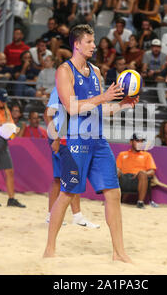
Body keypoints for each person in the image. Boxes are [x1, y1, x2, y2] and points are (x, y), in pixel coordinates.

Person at [43, 24, 138, 263]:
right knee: (66, 194)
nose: (94, 46)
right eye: (89, 42)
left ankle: (119, 252)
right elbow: (72, 107)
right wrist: (103, 97)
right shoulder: (64, 71)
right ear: (76, 44)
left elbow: (101, 108)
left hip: (97, 140)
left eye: (94, 42)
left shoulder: (95, 71)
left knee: (113, 193)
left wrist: (122, 105)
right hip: (75, 141)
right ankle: (49, 249)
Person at [44, 87, 100, 227]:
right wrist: (56, 137)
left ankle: (57, 216)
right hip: (62, 136)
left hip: (72, 136)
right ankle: (73, 216)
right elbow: (47, 114)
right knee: (71, 176)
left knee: (61, 177)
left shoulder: (81, 89)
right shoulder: (60, 88)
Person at [116, 133, 157, 209]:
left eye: (141, 142)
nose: (140, 143)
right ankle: (112, 199)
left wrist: (143, 173)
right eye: (137, 141)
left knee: (142, 173)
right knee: (116, 171)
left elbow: (152, 172)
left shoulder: (147, 155)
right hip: (124, 179)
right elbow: (118, 169)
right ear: (131, 142)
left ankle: (140, 202)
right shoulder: (122, 154)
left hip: (138, 179)